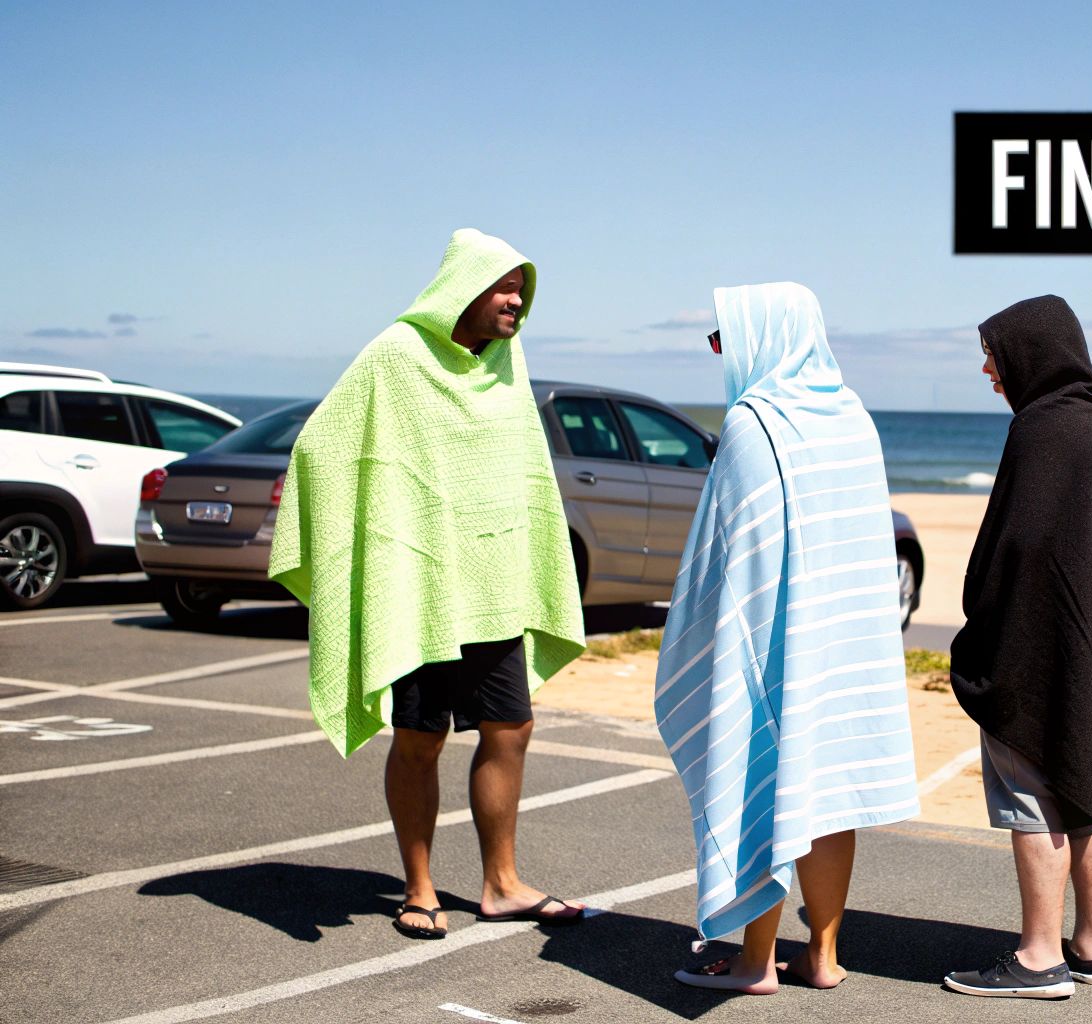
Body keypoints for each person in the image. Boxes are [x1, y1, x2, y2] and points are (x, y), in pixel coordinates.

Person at [270, 228, 589, 940]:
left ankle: (502, 884)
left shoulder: (508, 361)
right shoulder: (396, 353)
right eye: (504, 288)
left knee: (512, 727)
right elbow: (323, 441)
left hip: (494, 584)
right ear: (464, 289)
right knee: (421, 737)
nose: (516, 302)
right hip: (418, 584)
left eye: (522, 290)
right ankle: (419, 889)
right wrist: (357, 525)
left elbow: (520, 465)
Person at [654, 282, 919, 994]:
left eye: (725, 337)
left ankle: (754, 961)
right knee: (826, 789)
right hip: (843, 645)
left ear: (767, 336)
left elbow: (728, 553)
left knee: (764, 773)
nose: (719, 351)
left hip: (774, 637)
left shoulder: (754, 422)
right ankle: (823, 955)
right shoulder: (852, 416)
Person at [942, 294, 1092, 999]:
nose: (988, 370)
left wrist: (982, 630)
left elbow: (1018, 549)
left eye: (995, 356)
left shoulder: (1041, 430)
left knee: (1033, 796)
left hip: (1035, 651)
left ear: (1031, 352)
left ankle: (1038, 958)